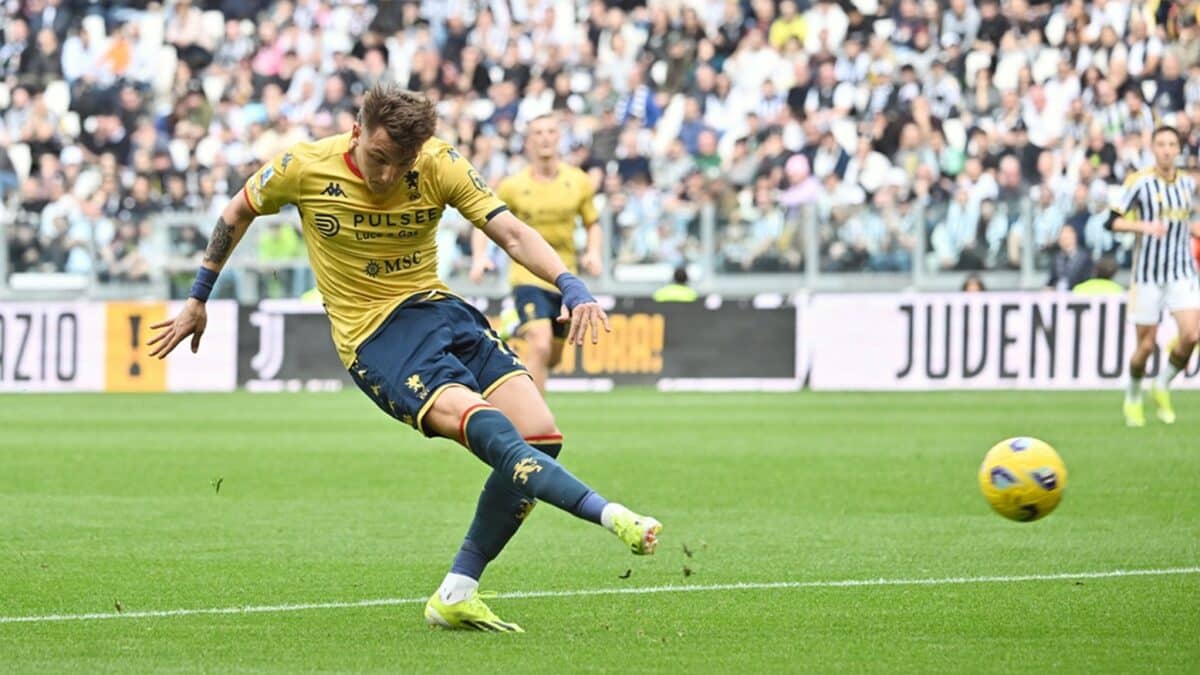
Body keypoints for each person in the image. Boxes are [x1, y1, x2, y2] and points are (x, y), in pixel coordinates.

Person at [147, 85, 661, 632]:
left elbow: (509, 232)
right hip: (376, 335)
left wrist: (569, 283)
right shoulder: (304, 166)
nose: (389, 175)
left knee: (540, 435)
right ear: (356, 132)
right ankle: (610, 514)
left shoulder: (439, 162)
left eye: (403, 163)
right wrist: (198, 297)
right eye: (379, 158)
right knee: (488, 428)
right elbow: (236, 211)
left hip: (441, 310)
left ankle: (457, 593)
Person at [469, 114, 602, 393]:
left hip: (564, 277)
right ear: (528, 142)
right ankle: (536, 417)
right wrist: (480, 257)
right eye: (538, 133)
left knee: (553, 357)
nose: (545, 138)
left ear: (559, 138)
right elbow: (484, 220)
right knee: (540, 345)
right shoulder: (513, 186)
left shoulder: (578, 181)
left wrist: (593, 252)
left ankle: (513, 324)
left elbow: (593, 223)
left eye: (551, 131)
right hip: (527, 275)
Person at [1109, 126, 1200, 427]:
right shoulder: (1139, 182)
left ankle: (1162, 383)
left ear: (1179, 150)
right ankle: (1134, 395)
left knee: (1192, 334)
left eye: (1172, 144)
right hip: (1147, 275)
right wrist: (1144, 227)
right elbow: (1112, 221)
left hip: (1181, 271)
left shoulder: (1187, 184)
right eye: (1161, 144)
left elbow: (1184, 222)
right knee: (1146, 347)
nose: (1166, 149)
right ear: (1153, 148)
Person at [1046, 226, 1093, 291]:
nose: (1063, 241)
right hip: (1058, 293)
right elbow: (1052, 280)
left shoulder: (1085, 257)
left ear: (1074, 237)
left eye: (1066, 238)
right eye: (1061, 239)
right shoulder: (1056, 257)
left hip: (1078, 293)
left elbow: (1088, 279)